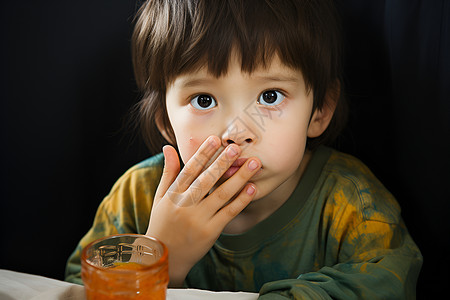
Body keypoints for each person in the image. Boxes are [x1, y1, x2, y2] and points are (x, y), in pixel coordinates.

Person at [65, 0, 422, 298]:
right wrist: (159, 260)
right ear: (165, 120)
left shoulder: (351, 205)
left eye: (270, 96)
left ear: (320, 110)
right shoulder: (136, 198)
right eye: (203, 99)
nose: (236, 133)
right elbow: (77, 288)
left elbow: (391, 282)